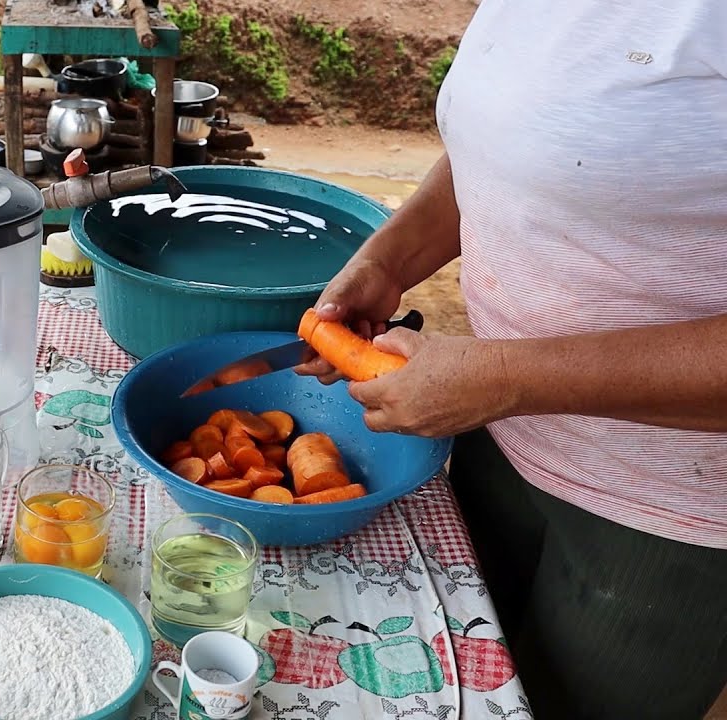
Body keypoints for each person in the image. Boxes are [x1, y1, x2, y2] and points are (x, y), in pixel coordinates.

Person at [295, 2, 727, 718]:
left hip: (663, 514)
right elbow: (504, 144)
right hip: (499, 441)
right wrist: (389, 258)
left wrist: (501, 379)